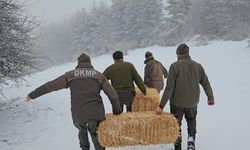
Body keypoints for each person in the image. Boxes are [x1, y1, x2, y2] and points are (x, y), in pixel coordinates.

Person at [26, 53, 122, 150]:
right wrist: (117, 111)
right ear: (89, 62)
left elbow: (51, 85)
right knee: (97, 134)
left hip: (78, 114)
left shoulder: (70, 75)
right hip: (96, 114)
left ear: (78, 63)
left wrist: (33, 95)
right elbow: (112, 95)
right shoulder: (99, 76)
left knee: (82, 131)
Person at [155, 44, 215, 150]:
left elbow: (169, 88)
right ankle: (191, 139)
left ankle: (177, 146)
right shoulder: (198, 66)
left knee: (176, 124)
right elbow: (205, 83)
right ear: (188, 53)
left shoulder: (174, 66)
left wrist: (161, 106)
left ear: (178, 54)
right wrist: (210, 97)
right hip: (193, 101)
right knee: (191, 119)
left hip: (177, 103)